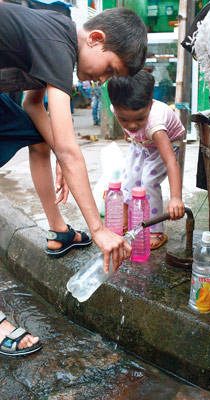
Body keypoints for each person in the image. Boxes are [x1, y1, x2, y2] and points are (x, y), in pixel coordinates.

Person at [0, 3, 147, 356]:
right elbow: (69, 148)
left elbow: (35, 107)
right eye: (109, 69)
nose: (102, 80)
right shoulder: (58, 40)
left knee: (37, 136)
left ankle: (59, 230)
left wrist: (60, 154)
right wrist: (97, 229)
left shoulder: (58, 39)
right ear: (95, 39)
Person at [107, 70, 185, 250]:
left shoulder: (155, 125)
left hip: (167, 142)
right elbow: (130, 125)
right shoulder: (116, 107)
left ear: (150, 105)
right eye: (124, 120)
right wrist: (130, 134)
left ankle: (155, 229)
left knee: (149, 181)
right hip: (142, 142)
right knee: (129, 179)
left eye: (139, 119)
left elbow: (171, 162)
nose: (132, 125)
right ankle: (124, 222)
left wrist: (175, 198)